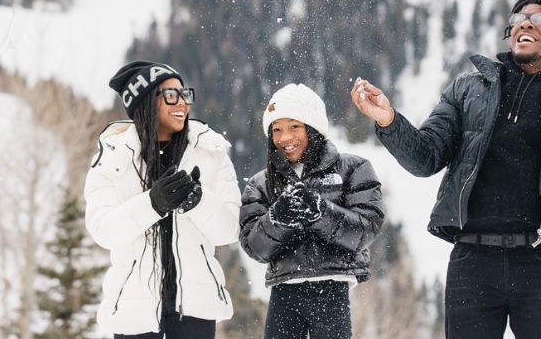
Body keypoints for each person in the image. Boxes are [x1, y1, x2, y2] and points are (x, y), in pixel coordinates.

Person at [350, 0, 541, 338]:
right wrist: (388, 120)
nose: (525, 24)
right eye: (518, 19)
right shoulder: (468, 89)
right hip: (472, 260)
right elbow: (426, 157)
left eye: (540, 19)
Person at [86, 61, 240, 338]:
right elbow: (103, 231)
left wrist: (199, 202)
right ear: (145, 102)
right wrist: (152, 204)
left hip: (195, 309)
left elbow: (229, 230)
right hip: (133, 310)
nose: (182, 102)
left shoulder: (211, 152)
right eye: (171, 95)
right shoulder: (111, 157)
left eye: (185, 94)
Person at [240, 84, 384, 339]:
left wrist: (320, 212)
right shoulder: (260, 183)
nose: (285, 138)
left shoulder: (353, 168)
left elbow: (366, 230)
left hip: (333, 289)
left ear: (313, 128)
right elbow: (255, 248)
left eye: (294, 126)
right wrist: (277, 220)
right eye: (277, 129)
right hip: (283, 292)